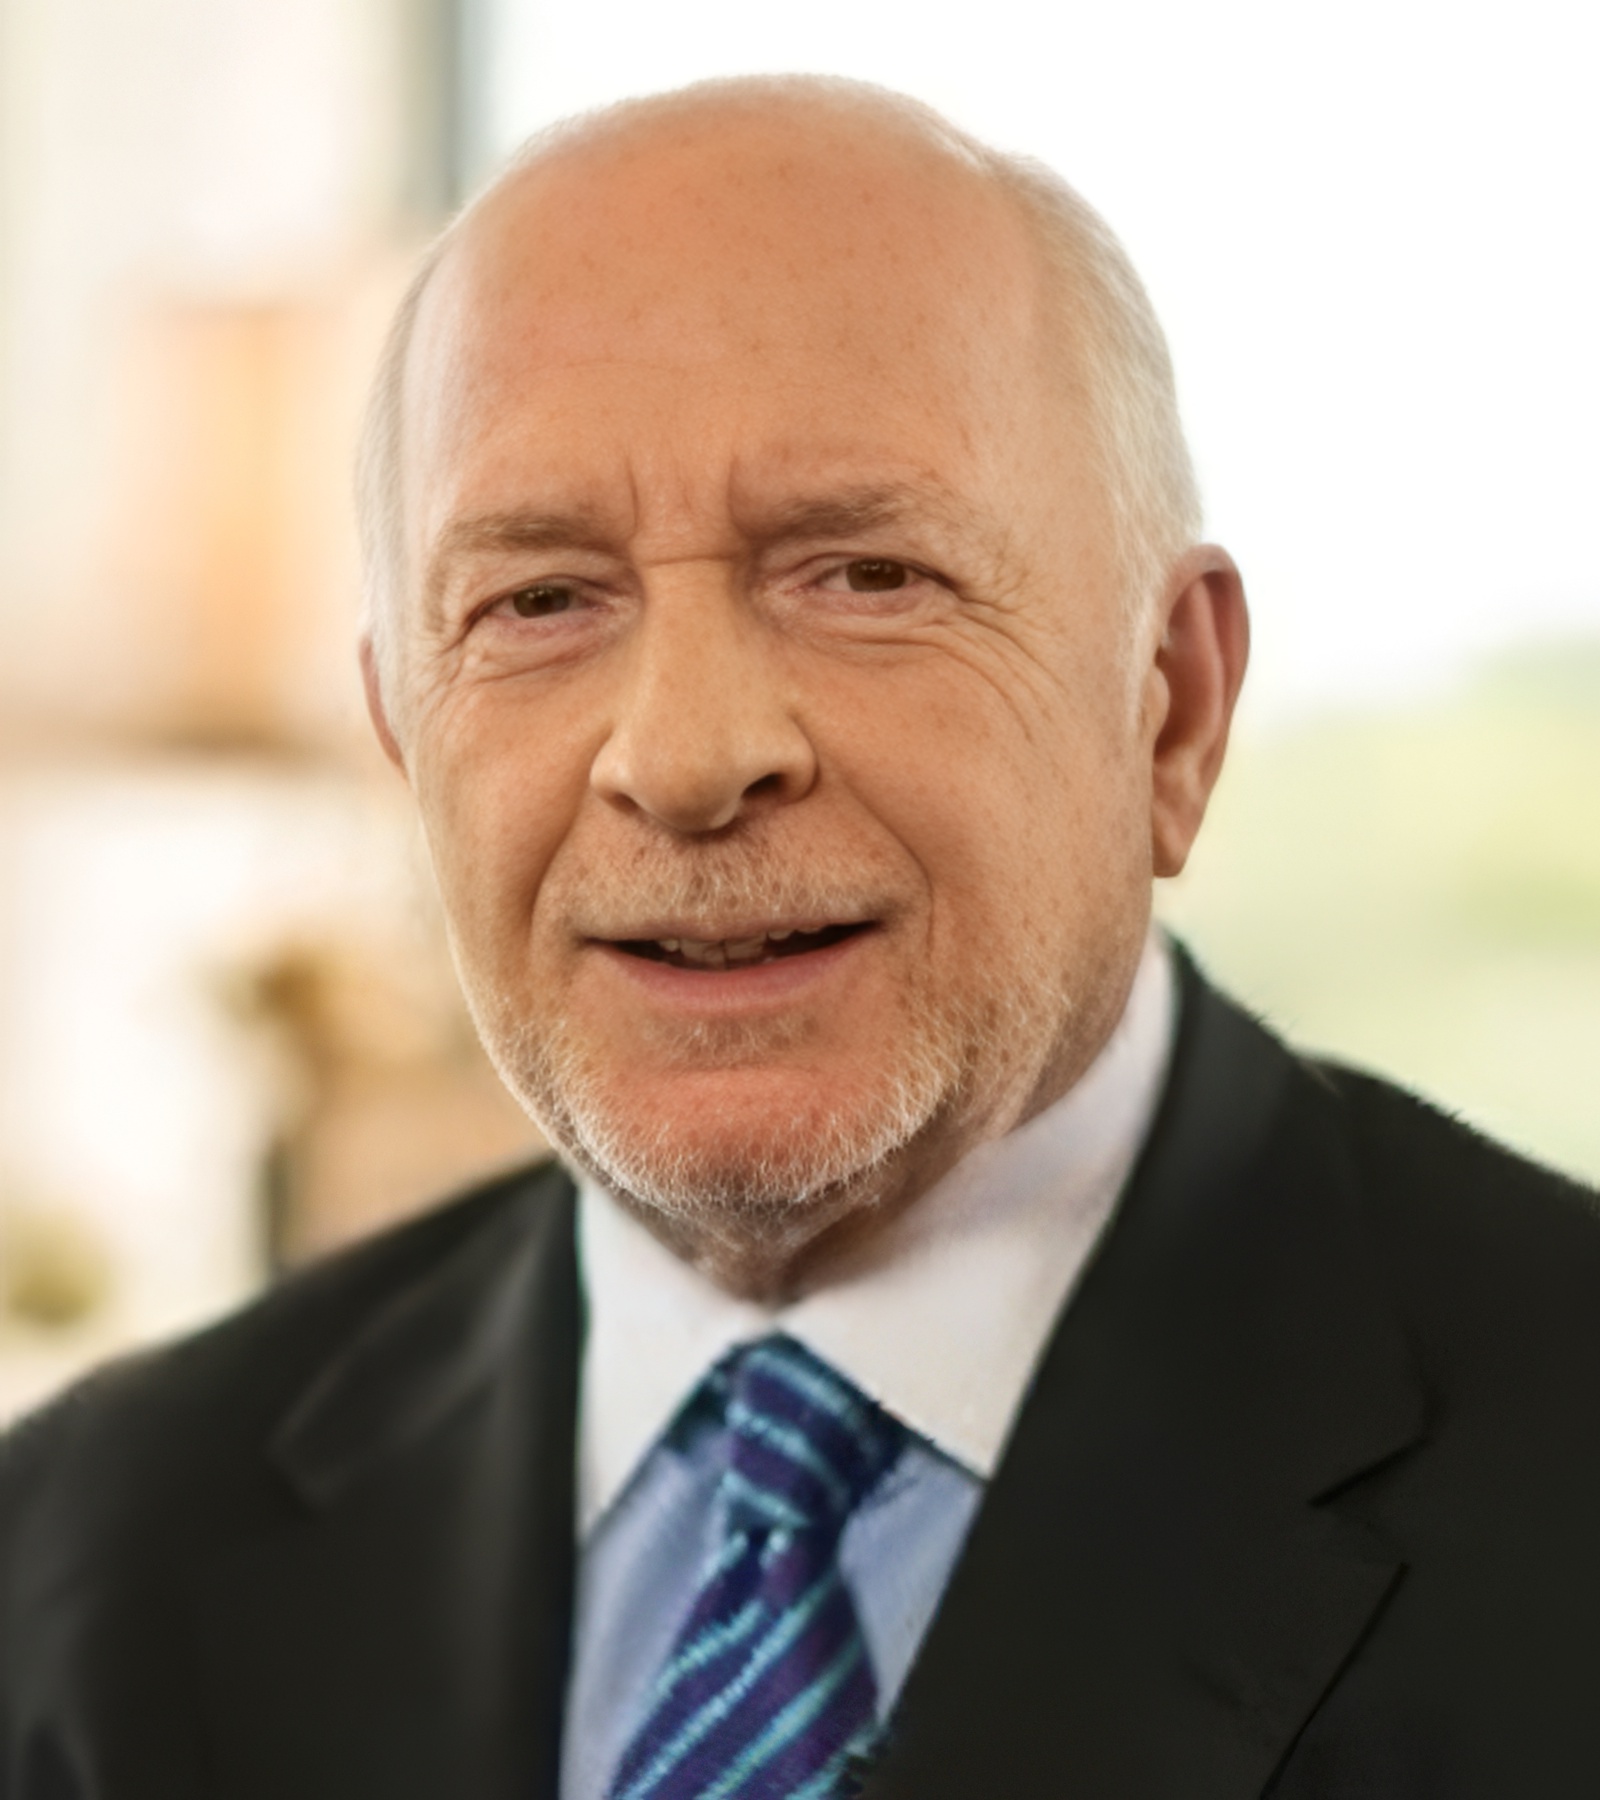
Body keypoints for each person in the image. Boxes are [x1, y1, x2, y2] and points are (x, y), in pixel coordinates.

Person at [3, 75, 1599, 1800]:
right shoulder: (82, 1560)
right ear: (407, 746)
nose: (686, 757)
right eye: (541, 601)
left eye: (863, 575)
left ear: (1172, 707)